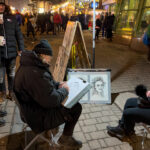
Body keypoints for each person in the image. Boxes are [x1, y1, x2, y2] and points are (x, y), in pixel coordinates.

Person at [13, 40, 82, 149]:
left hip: (30, 109)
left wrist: (59, 84)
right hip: (38, 117)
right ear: (43, 55)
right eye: (50, 57)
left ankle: (63, 133)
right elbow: (51, 100)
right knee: (76, 107)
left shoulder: (31, 65)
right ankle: (66, 138)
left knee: (68, 102)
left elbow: (45, 85)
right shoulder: (35, 73)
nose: (51, 59)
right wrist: (65, 90)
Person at [0, 2, 24, 101]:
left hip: (12, 52)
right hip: (0, 53)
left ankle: (11, 92)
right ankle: (2, 93)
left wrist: (21, 48)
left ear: (5, 7)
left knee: (11, 74)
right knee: (0, 75)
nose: (1, 7)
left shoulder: (12, 18)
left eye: (2, 6)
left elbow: (18, 34)